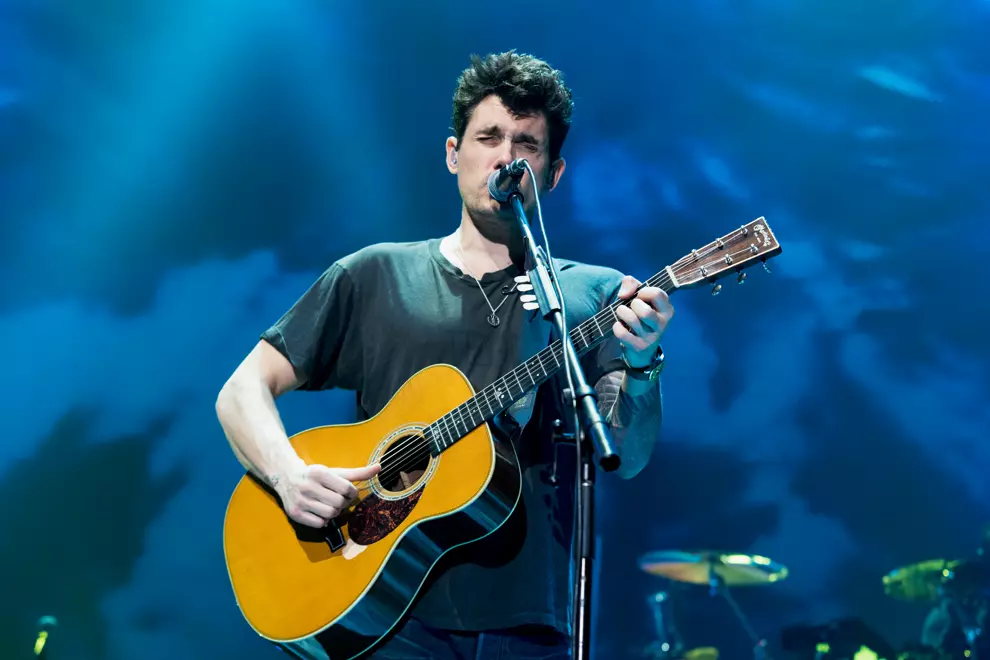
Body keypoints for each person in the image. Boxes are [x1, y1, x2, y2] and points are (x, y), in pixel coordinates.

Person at [215, 50, 673, 659]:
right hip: (383, 614)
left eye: (527, 144)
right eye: (488, 138)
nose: (506, 158)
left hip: (528, 626)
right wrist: (287, 475)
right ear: (454, 154)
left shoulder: (591, 295)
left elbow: (628, 456)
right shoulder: (375, 274)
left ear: (554, 173)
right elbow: (241, 390)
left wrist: (643, 365)